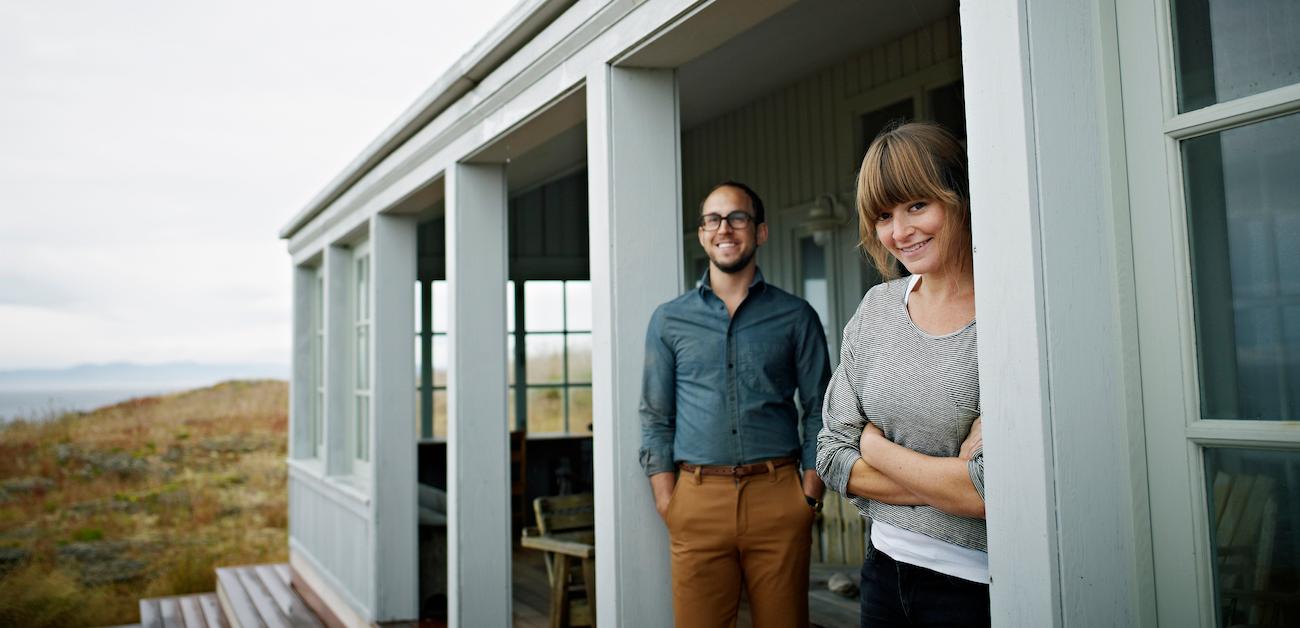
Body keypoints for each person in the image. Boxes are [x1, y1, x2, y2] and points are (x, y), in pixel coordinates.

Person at [816, 122, 989, 628]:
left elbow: (991, 491)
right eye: (884, 216)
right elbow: (829, 456)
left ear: (957, 196)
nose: (900, 231)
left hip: (975, 584)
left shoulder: (1005, 314)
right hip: (882, 571)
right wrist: (950, 484)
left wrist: (873, 448)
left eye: (917, 205)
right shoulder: (878, 307)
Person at [640, 181, 832, 628]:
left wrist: (808, 497)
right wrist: (670, 502)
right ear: (703, 233)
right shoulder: (669, 319)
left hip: (778, 497)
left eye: (737, 217)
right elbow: (655, 416)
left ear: (760, 232)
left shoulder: (796, 315)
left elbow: (822, 409)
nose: (724, 228)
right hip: (697, 501)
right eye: (713, 219)